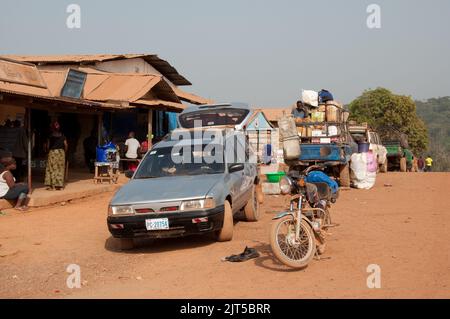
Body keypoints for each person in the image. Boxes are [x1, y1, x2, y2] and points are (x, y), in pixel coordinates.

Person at [44, 121, 68, 190]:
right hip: (61, 153)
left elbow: (48, 146)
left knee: (52, 168)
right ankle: (60, 186)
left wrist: (47, 151)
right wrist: (64, 152)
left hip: (52, 153)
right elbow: (66, 145)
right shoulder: (63, 136)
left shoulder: (50, 136)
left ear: (52, 128)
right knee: (60, 169)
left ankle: (52, 185)